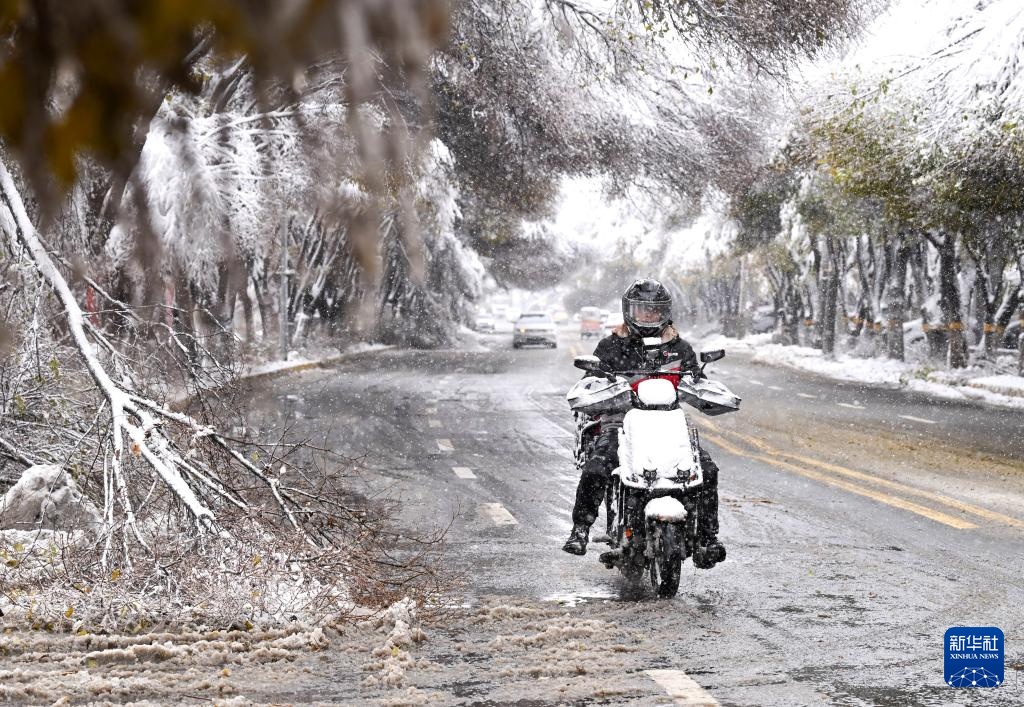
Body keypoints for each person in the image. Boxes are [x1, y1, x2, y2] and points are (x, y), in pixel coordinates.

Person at [562, 278, 727, 568]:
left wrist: (708, 393)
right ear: (629, 311)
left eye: (654, 310)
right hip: (621, 424)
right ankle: (580, 530)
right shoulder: (611, 346)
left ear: (665, 312)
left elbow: (697, 380)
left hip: (668, 425)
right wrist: (598, 389)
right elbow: (590, 381)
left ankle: (707, 538)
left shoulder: (680, 348)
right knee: (598, 465)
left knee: (707, 469)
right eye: (642, 310)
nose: (648, 316)